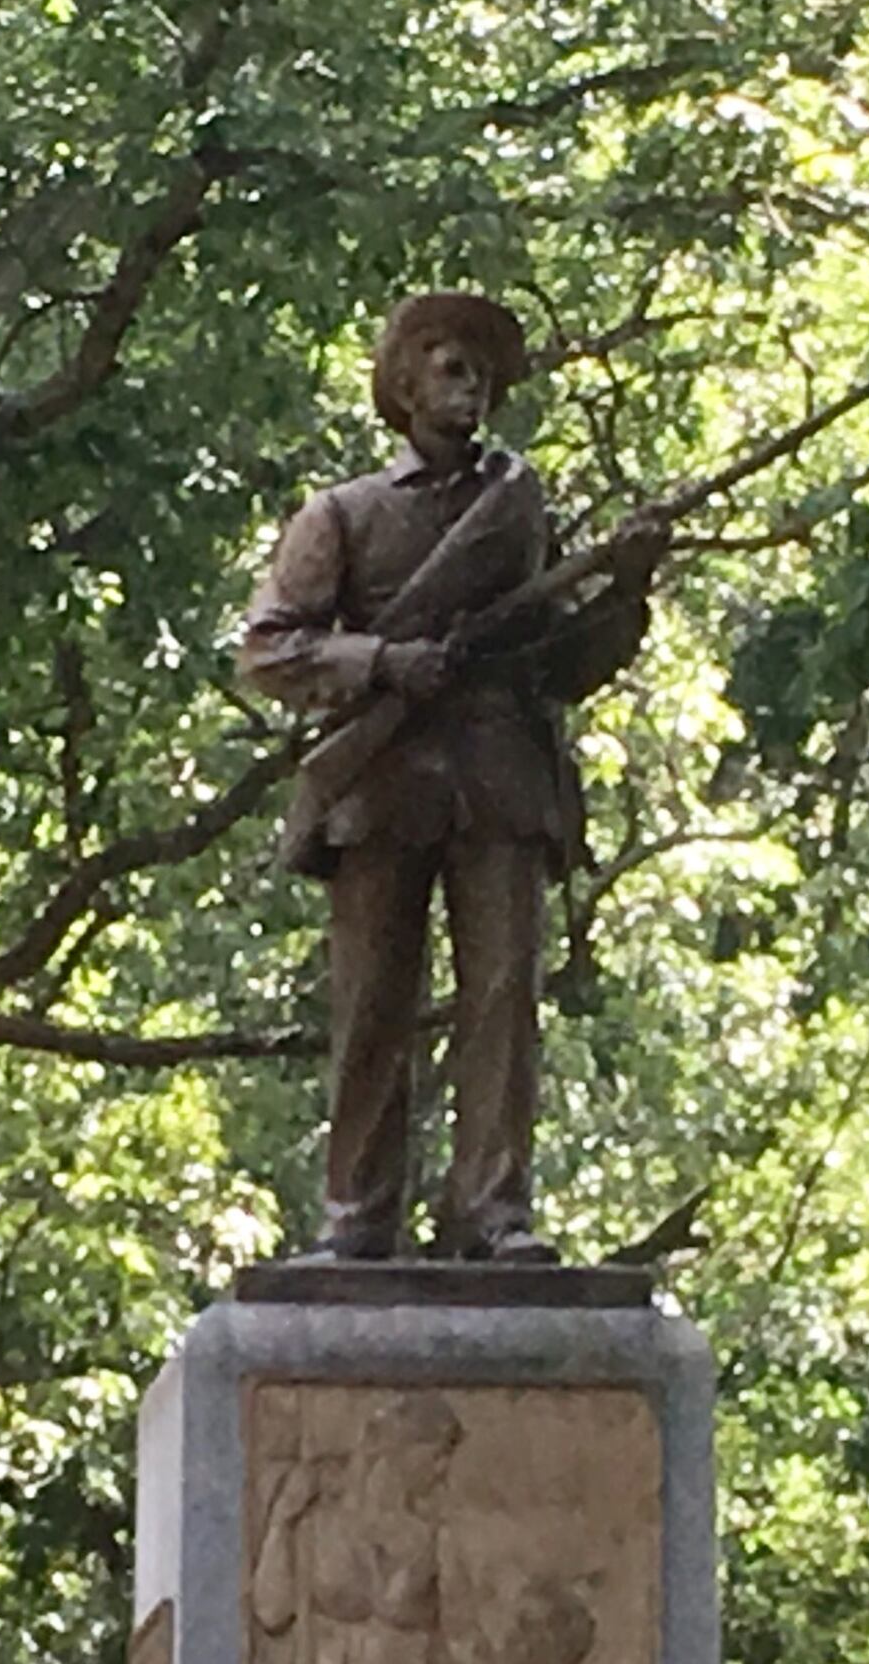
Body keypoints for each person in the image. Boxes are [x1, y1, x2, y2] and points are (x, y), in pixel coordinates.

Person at [240, 293, 653, 1263]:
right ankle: (358, 1213)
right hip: (382, 783)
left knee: (503, 1001)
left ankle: (492, 1211)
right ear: (402, 383)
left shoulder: (519, 511)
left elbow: (566, 664)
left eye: (481, 366)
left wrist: (627, 588)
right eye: (444, 360)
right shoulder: (343, 514)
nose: (468, 380)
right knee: (373, 1002)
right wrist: (381, 664)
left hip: (502, 779)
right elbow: (269, 650)